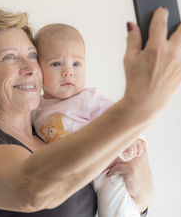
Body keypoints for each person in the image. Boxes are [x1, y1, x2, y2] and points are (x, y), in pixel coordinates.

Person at [0, 7, 181, 217]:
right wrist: (138, 107)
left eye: (33, 55)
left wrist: (141, 199)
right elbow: (33, 189)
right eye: (9, 57)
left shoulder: (51, 135)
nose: (30, 68)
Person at [31, 23, 147, 217]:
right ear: (38, 68)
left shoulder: (89, 98)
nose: (68, 72)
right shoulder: (36, 109)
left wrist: (135, 140)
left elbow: (124, 119)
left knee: (116, 211)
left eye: (76, 63)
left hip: (107, 170)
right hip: (80, 177)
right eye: (56, 64)